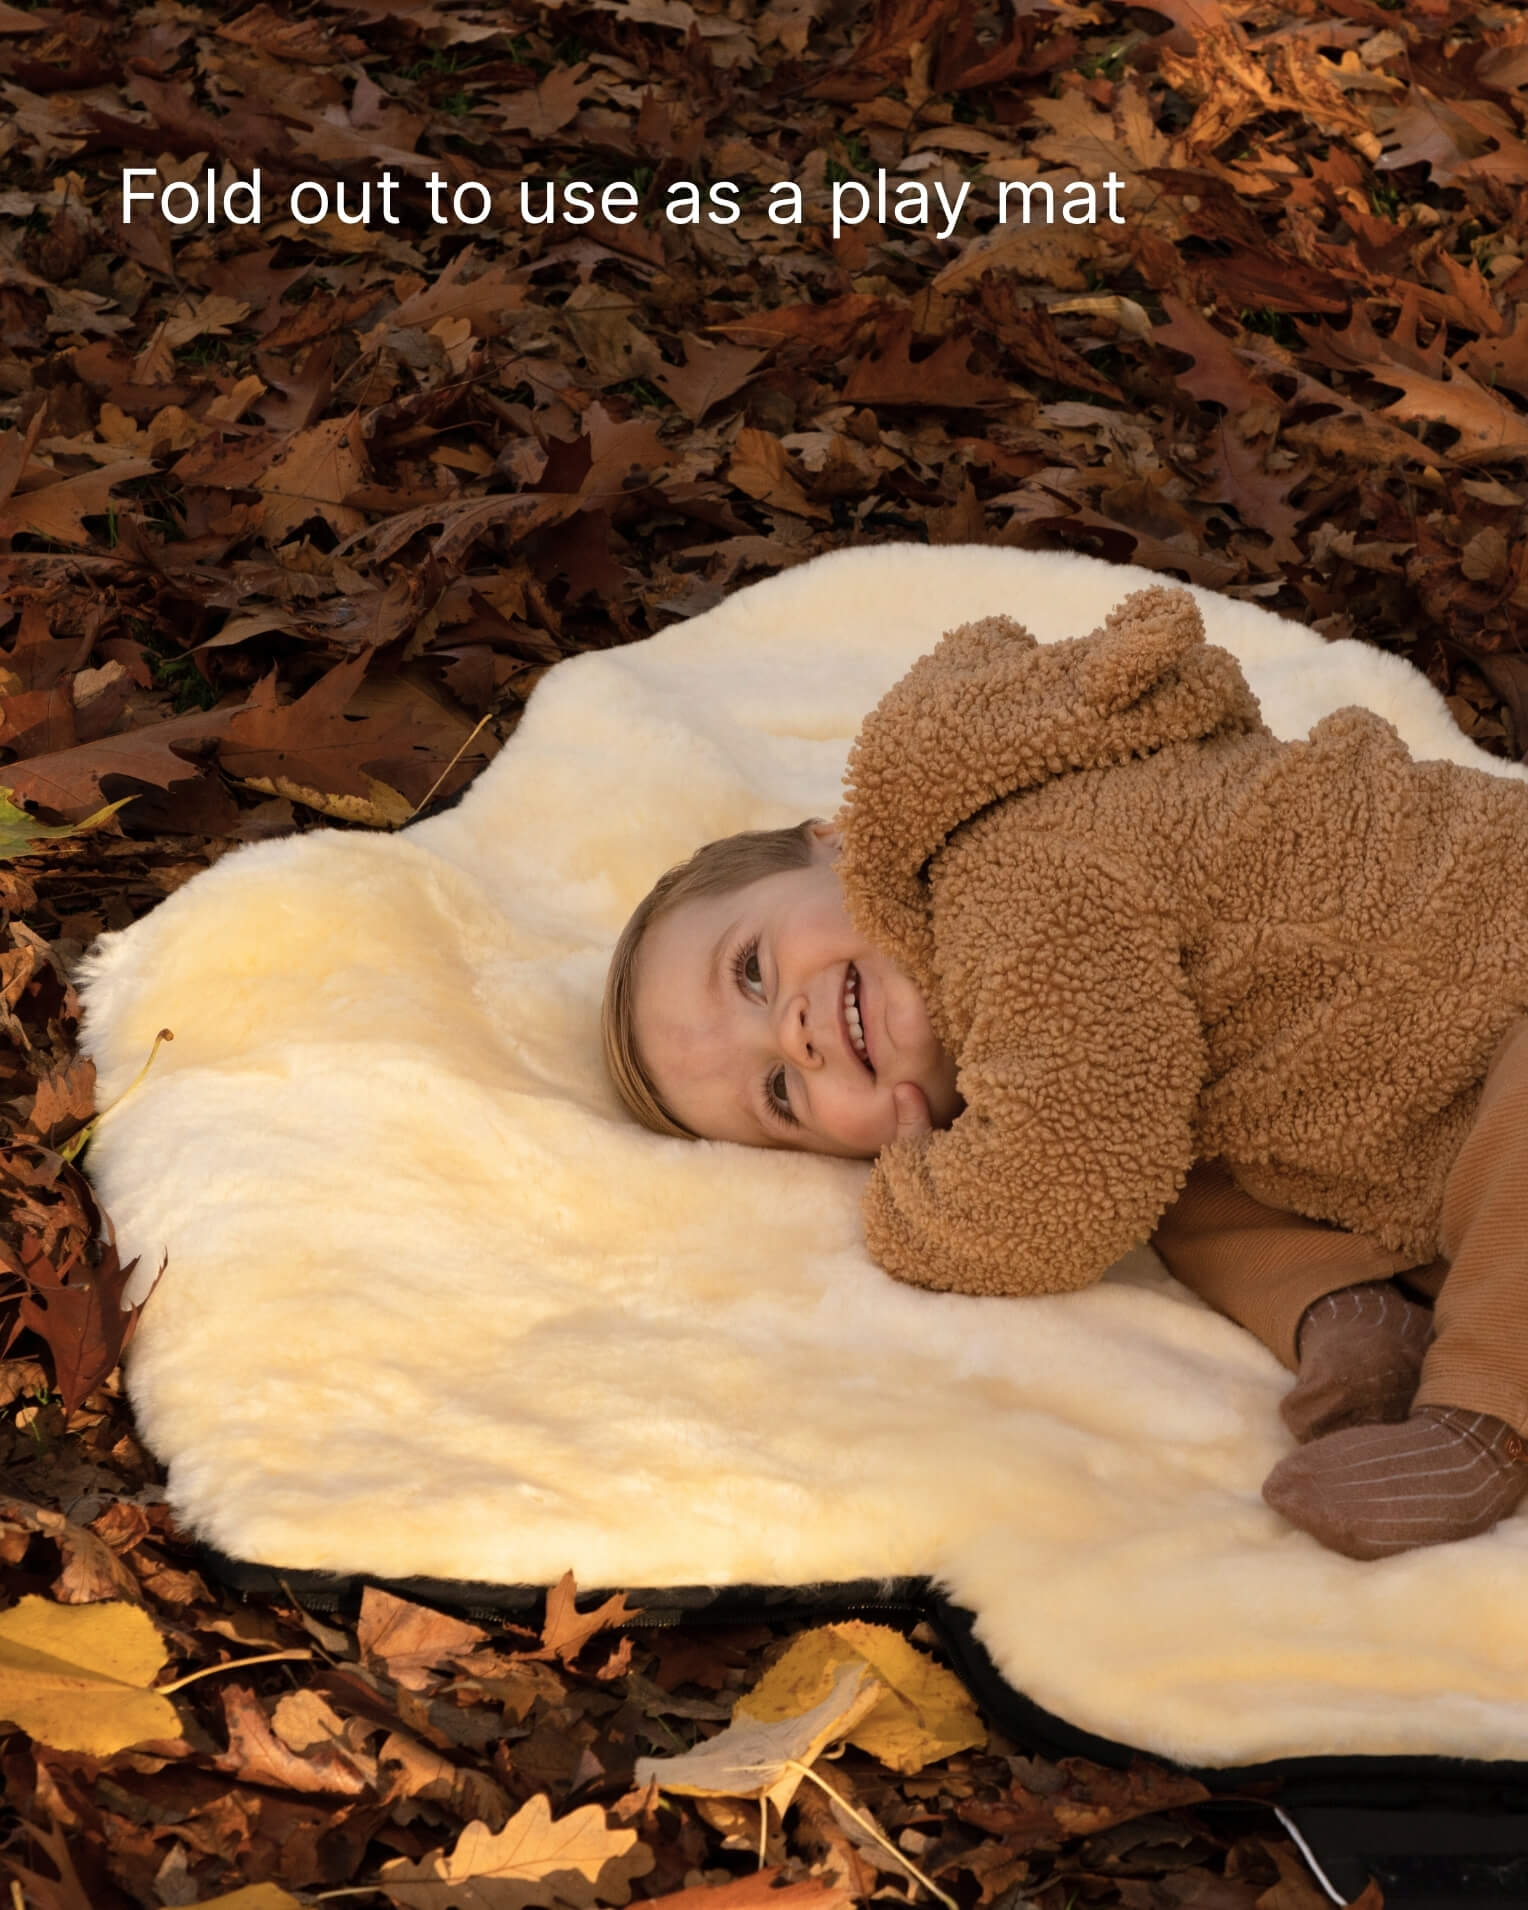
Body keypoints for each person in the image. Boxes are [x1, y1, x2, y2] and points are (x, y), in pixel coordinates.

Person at [601, 583, 1528, 1561]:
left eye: (751, 968)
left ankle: (1484, 1413)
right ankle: (1343, 1304)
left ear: (832, 843)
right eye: (780, 1094)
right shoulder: (1051, 1034)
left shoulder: (1015, 872)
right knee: (1178, 1176)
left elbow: (1062, 1186)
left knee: (1101, 1155)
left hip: (1494, 954)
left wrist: (916, 1209)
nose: (792, 1033)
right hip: (1420, 1075)